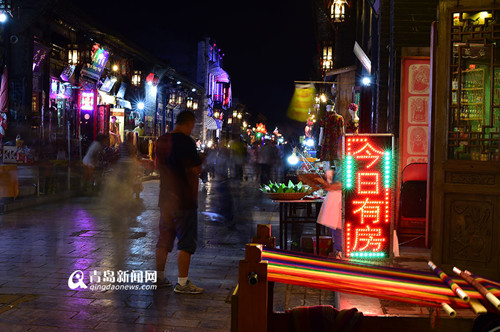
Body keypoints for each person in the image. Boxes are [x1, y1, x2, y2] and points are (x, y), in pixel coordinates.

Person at [155, 110, 204, 294]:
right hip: (184, 200)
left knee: (164, 238)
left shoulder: (162, 140)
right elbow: (196, 168)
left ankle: (159, 278)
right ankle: (183, 283)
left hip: (166, 199)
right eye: (192, 126)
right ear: (189, 123)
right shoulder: (186, 142)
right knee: (186, 241)